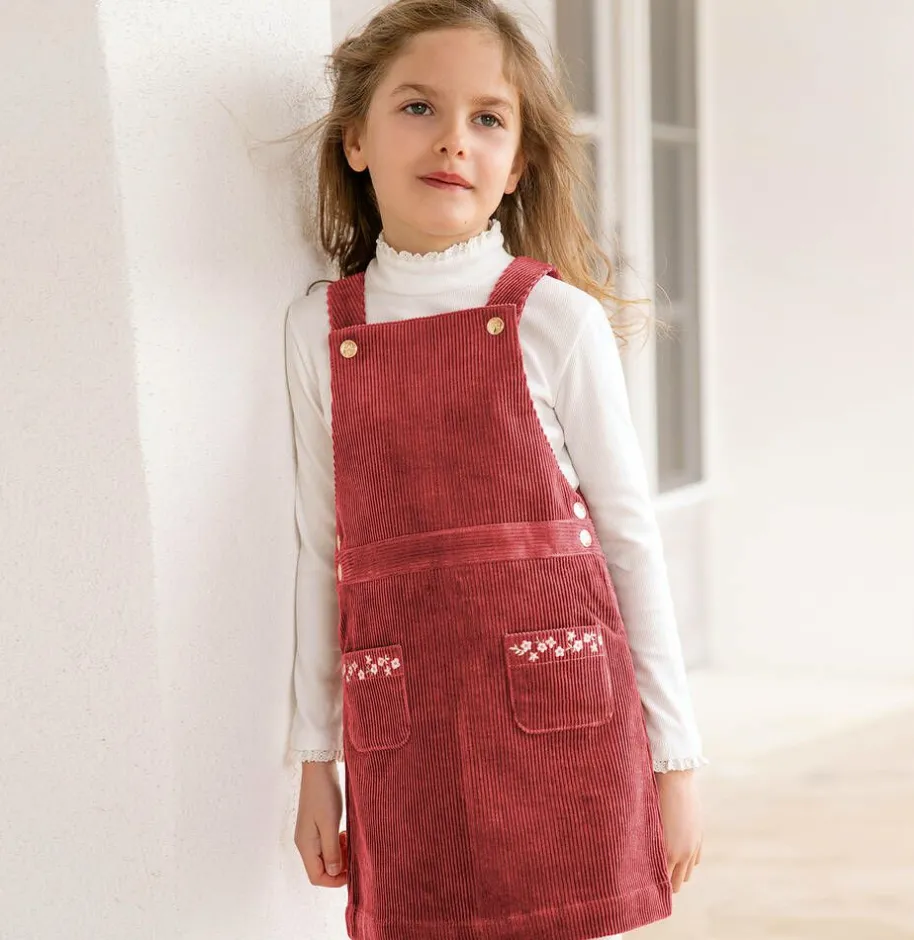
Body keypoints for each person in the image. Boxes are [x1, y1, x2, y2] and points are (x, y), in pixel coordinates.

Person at [284, 1, 707, 937]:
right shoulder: (319, 332)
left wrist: (675, 764)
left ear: (516, 163)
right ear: (355, 139)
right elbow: (323, 553)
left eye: (487, 118)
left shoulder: (556, 320)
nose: (453, 141)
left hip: (568, 733)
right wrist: (317, 761)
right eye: (417, 108)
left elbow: (631, 543)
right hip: (406, 738)